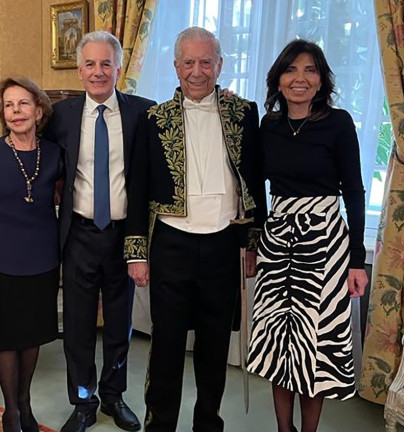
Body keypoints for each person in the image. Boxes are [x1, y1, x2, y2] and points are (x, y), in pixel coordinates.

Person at [0, 31, 155, 432]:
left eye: (106, 63)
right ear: (79, 70)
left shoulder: (144, 112)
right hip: (77, 235)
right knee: (78, 325)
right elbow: (23, 143)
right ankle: (83, 402)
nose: (98, 71)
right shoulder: (63, 116)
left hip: (125, 236)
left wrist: (220, 97)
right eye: (89, 64)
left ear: (119, 69)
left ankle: (113, 396)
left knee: (120, 323)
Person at [125, 27, 264, 432]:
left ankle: (208, 423)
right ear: (176, 66)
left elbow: (254, 181)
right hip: (170, 244)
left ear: (220, 66)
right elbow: (138, 186)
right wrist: (136, 251)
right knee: (166, 344)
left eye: (206, 62)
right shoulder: (153, 118)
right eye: (189, 62)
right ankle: (160, 424)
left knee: (214, 342)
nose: (197, 71)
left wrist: (252, 243)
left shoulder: (244, 113)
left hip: (223, 245)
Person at [246, 40, 368, 432]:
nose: (300, 78)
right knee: (278, 343)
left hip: (326, 244)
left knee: (314, 347)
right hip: (278, 240)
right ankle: (284, 429)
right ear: (278, 80)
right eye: (291, 70)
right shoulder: (269, 125)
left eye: (310, 70)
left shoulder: (339, 123)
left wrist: (357, 259)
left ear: (321, 81)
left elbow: (354, 190)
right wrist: (260, 234)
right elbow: (254, 182)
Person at [0, 76, 60, 432]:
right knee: (7, 338)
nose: (15, 111)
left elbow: (62, 200)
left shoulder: (54, 153)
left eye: (23, 104)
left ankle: (25, 401)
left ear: (38, 110)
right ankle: (11, 411)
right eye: (8, 105)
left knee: (32, 336)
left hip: (42, 258)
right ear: (2, 113)